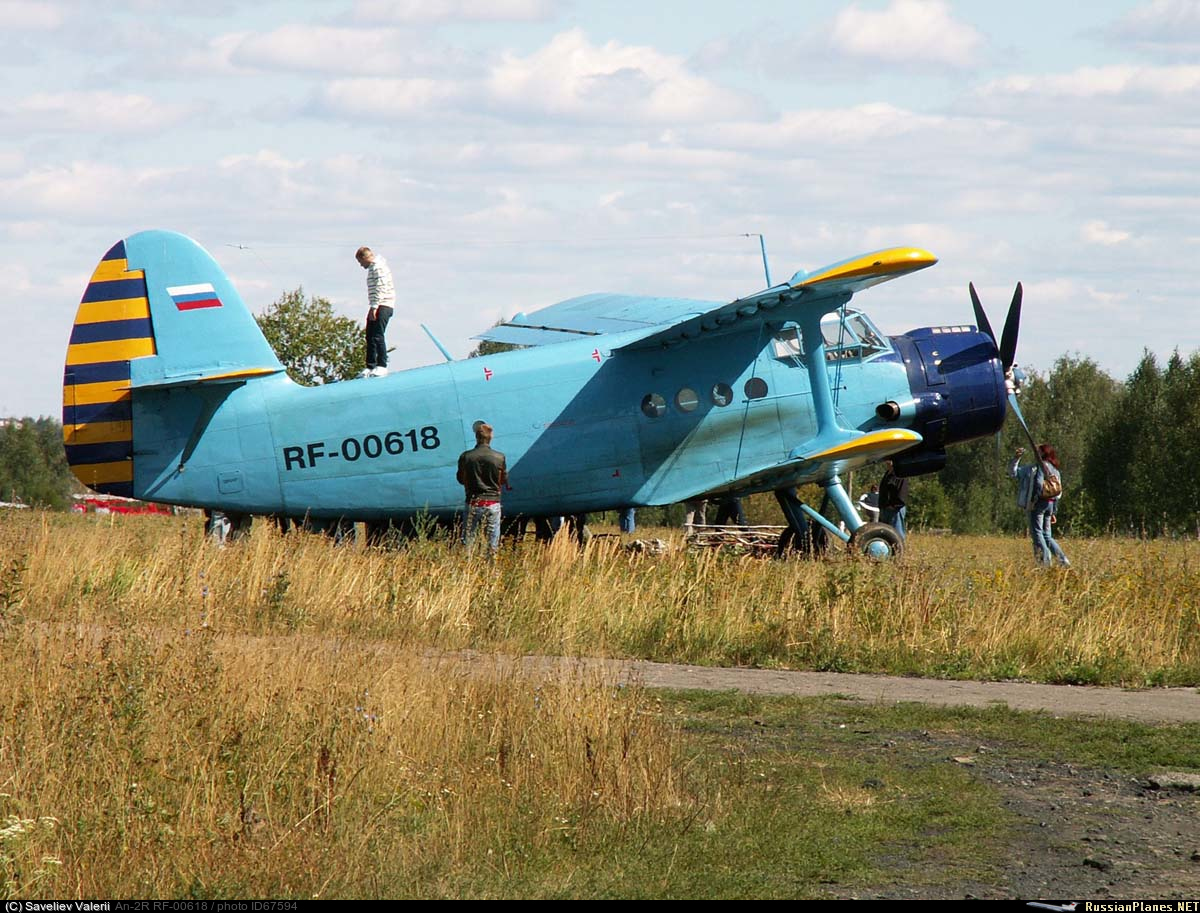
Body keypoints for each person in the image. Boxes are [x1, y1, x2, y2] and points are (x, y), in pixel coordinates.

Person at [1010, 444, 1070, 567]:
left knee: (1037, 533)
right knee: (1047, 536)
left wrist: (1033, 501)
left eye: (1037, 451)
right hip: (1050, 504)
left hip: (1038, 505)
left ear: (1042, 454)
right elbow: (1058, 492)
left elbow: (1017, 474)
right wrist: (1053, 511)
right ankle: (1063, 561)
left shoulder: (1037, 468)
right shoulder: (1055, 470)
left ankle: (1045, 563)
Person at [457, 421, 507, 560]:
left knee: (469, 540)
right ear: (490, 437)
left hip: (473, 501)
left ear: (477, 437)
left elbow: (461, 479)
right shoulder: (500, 457)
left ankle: (469, 568)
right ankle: (491, 569)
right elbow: (502, 480)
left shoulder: (466, 457)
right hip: (492, 503)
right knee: (492, 541)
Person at [355, 246, 395, 377]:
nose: (361, 265)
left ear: (365, 258)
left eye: (361, 262)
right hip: (376, 305)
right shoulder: (372, 268)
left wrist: (374, 307)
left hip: (383, 304)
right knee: (370, 335)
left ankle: (382, 365)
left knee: (378, 335)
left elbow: (381, 288)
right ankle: (370, 366)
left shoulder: (378, 267)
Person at [878, 461, 908, 537]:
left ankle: (898, 548)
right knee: (883, 534)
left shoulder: (900, 473)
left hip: (895, 510)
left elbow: (902, 491)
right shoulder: (887, 474)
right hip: (885, 508)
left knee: (897, 535)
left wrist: (895, 505)